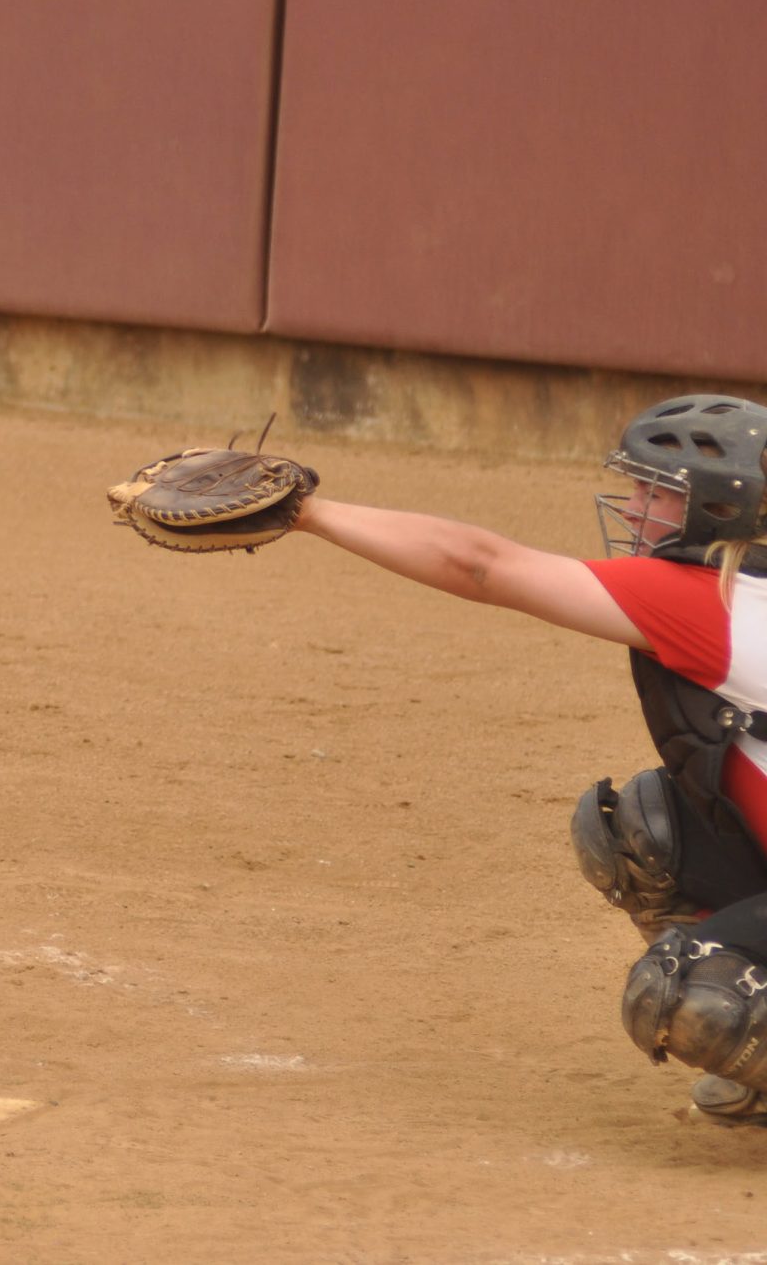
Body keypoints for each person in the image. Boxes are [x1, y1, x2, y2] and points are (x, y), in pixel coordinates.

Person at [287, 394, 767, 1124]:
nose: (635, 506)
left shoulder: (710, 602)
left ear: (722, 511)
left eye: (659, 492)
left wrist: (307, 513)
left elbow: (480, 565)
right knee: (643, 830)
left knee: (692, 991)